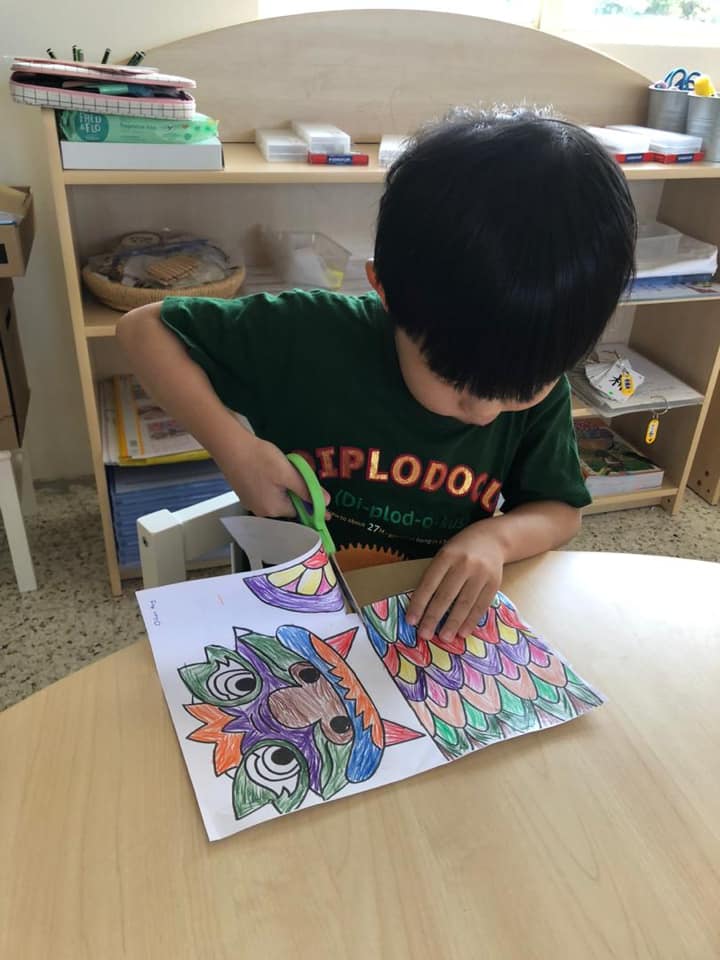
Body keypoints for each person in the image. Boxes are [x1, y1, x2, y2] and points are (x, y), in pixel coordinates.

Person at [117, 107, 636, 645]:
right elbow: (142, 331)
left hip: (421, 629)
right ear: (385, 291)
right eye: (456, 382)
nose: (484, 413)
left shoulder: (536, 370)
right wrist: (235, 449)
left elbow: (560, 512)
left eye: (520, 392)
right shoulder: (310, 335)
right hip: (288, 617)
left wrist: (497, 539)